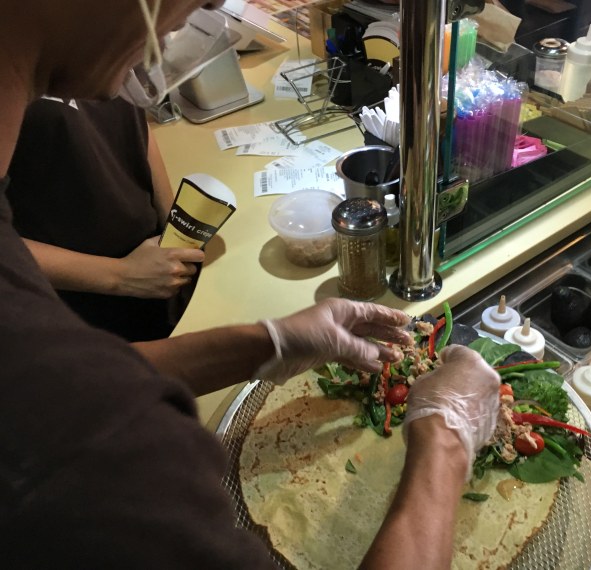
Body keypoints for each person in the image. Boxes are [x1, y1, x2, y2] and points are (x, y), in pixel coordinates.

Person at [0, 1, 501, 569]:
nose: (216, 5)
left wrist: (269, 343)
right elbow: (71, 405)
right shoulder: (90, 458)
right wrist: (446, 440)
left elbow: (79, 384)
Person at [7, 96, 204, 342]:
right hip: (79, 302)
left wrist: (173, 227)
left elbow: (134, 120)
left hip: (152, 268)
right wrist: (121, 275)